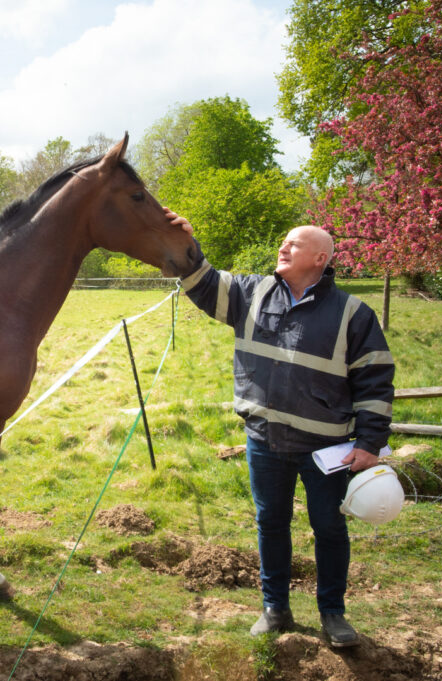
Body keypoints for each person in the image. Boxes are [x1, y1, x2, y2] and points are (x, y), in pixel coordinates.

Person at [167, 213, 394, 648]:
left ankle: (333, 614)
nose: (283, 247)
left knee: (328, 527)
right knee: (270, 522)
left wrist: (369, 443)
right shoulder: (252, 293)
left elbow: (375, 381)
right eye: (283, 241)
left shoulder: (353, 314)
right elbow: (203, 283)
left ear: (321, 258)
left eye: (294, 244)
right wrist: (185, 242)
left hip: (326, 448)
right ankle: (275, 609)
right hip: (264, 441)